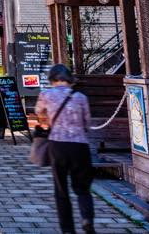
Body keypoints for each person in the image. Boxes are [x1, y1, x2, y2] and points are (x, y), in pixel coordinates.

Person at [35, 64, 95, 234]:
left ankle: (67, 229)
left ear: (52, 79)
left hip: (57, 144)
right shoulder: (80, 97)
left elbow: (40, 114)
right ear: (69, 79)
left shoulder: (46, 95)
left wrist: (47, 121)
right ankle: (87, 219)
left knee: (61, 189)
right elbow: (87, 123)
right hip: (80, 146)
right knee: (83, 188)